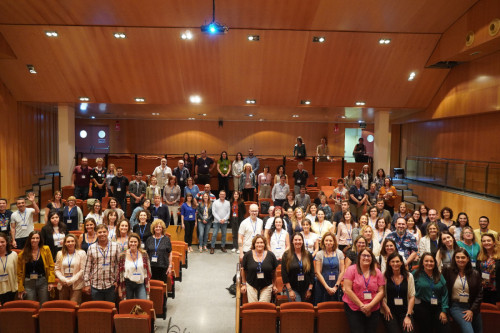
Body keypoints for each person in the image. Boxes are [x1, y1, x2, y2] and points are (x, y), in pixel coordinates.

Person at [342, 248, 385, 332]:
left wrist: (370, 306)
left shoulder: (377, 272)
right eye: (364, 255)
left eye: (368, 256)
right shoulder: (351, 269)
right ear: (359, 257)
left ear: (372, 258)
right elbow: (347, 289)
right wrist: (362, 306)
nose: (366, 258)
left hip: (373, 307)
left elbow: (381, 291)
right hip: (354, 307)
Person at [442, 248, 483, 333]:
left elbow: (480, 294)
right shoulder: (448, 270)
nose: (460, 260)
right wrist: (444, 310)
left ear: (468, 259)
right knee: (469, 331)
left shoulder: (475, 273)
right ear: (454, 258)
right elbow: (443, 290)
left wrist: (472, 310)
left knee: (479, 331)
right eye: (458, 257)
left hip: (472, 306)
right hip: (456, 306)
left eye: (463, 257)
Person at [412, 252, 450, 333]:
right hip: (422, 306)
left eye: (431, 261)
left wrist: (443, 311)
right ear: (422, 262)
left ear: (435, 263)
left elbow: (445, 293)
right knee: (426, 328)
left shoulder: (439, 275)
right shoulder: (415, 274)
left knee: (444, 326)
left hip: (438, 306)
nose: (429, 263)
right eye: (426, 261)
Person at [83, 224, 120, 302]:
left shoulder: (116, 246)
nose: (102, 234)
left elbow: (119, 265)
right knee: (98, 310)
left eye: (104, 232)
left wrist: (117, 281)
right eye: (100, 232)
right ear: (96, 234)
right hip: (95, 285)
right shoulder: (91, 248)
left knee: (110, 309)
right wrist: (86, 284)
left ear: (108, 232)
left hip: (111, 285)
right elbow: (87, 267)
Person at [17, 231, 55, 304]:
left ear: (40, 239)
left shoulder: (46, 249)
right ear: (29, 240)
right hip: (28, 282)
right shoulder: (22, 254)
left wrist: (51, 282)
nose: (35, 240)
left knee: (44, 304)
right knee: (31, 305)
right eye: (33, 238)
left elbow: (51, 266)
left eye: (37, 238)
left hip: (42, 281)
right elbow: (19, 272)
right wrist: (21, 287)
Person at [381, 252, 416, 333]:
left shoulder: (409, 276)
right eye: (392, 261)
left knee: (409, 331)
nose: (395, 264)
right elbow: (380, 294)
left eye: (397, 261)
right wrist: (385, 307)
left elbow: (412, 297)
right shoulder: (384, 276)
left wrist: (408, 316)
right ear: (389, 263)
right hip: (389, 311)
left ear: (401, 263)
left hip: (405, 311)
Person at [241, 235, 278, 303]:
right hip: (251, 285)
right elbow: (243, 270)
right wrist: (244, 284)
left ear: (264, 244)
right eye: (257, 243)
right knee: (253, 308)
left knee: (263, 307)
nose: (259, 244)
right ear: (254, 244)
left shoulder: (271, 255)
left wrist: (274, 285)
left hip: (266, 285)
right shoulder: (248, 255)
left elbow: (274, 271)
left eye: (261, 242)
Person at [117, 233, 151, 300]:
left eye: (135, 242)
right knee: (128, 305)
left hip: (140, 283)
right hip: (127, 283)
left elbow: (148, 270)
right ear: (128, 243)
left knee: (143, 303)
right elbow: (119, 273)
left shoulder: (144, 254)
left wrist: (148, 283)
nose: (133, 244)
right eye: (131, 242)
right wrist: (119, 288)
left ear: (138, 243)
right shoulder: (122, 255)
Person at [281, 233, 314, 302]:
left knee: (306, 310)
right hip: (292, 288)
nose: (298, 242)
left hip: (306, 288)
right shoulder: (286, 255)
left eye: (299, 240)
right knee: (297, 308)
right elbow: (284, 274)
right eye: (295, 240)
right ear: (292, 241)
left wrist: (310, 289)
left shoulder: (308, 255)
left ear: (302, 241)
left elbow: (312, 273)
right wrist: (290, 290)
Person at [54, 234, 87, 304]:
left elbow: (82, 270)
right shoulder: (60, 254)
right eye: (68, 242)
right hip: (63, 283)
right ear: (65, 243)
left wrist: (71, 280)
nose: (70, 243)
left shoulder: (82, 253)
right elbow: (57, 269)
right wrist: (63, 279)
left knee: (74, 305)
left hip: (76, 283)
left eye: (72, 241)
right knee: (63, 306)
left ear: (75, 242)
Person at [314, 232, 345, 304]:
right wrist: (327, 287)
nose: (328, 242)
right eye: (326, 240)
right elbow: (317, 272)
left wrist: (336, 286)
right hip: (322, 285)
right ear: (323, 241)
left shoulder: (339, 253)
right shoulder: (319, 254)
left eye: (330, 240)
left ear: (334, 242)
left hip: (336, 285)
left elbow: (342, 271)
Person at [476, 233, 500, 304]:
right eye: (484, 241)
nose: (486, 243)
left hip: (497, 289)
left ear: (494, 242)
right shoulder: (480, 255)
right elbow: (478, 271)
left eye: (489, 240)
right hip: (484, 289)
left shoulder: (499, 255)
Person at [0, 232, 18, 304]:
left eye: (2, 242)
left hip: (12, 289)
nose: (0, 244)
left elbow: (17, 272)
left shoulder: (13, 255)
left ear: (7, 242)